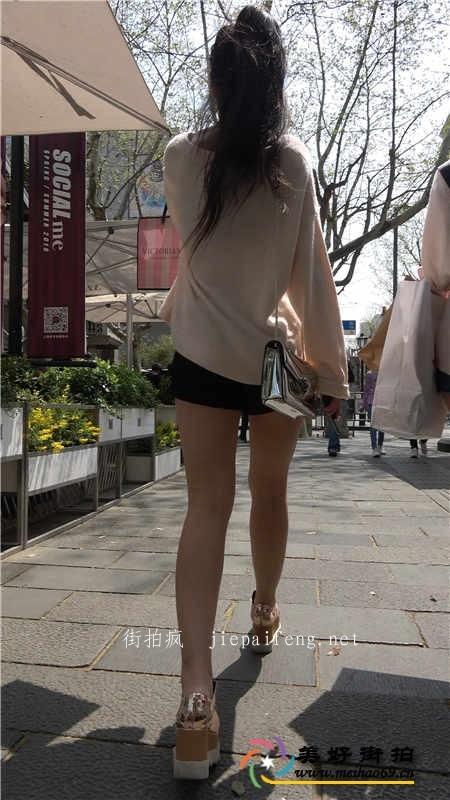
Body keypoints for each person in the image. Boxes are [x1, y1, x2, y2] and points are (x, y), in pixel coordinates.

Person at [158, 6, 349, 780]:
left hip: (203, 348)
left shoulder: (179, 157)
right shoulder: (291, 165)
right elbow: (311, 275)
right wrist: (329, 369)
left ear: (214, 81)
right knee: (270, 493)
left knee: (207, 505)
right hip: (275, 360)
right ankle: (265, 610)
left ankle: (194, 700)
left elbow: (203, 253)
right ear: (276, 87)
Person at [327, 360, 354, 456]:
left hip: (330, 395)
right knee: (335, 421)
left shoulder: (329, 363)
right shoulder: (344, 362)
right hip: (339, 395)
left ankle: (334, 445)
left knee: (333, 421)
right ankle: (333, 445)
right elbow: (351, 378)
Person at [362, 369, 385, 457]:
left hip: (382, 401)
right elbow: (366, 390)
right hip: (372, 401)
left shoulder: (385, 372)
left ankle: (380, 445)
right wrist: (364, 404)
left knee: (381, 426)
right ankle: (374, 447)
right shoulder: (369, 374)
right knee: (373, 426)